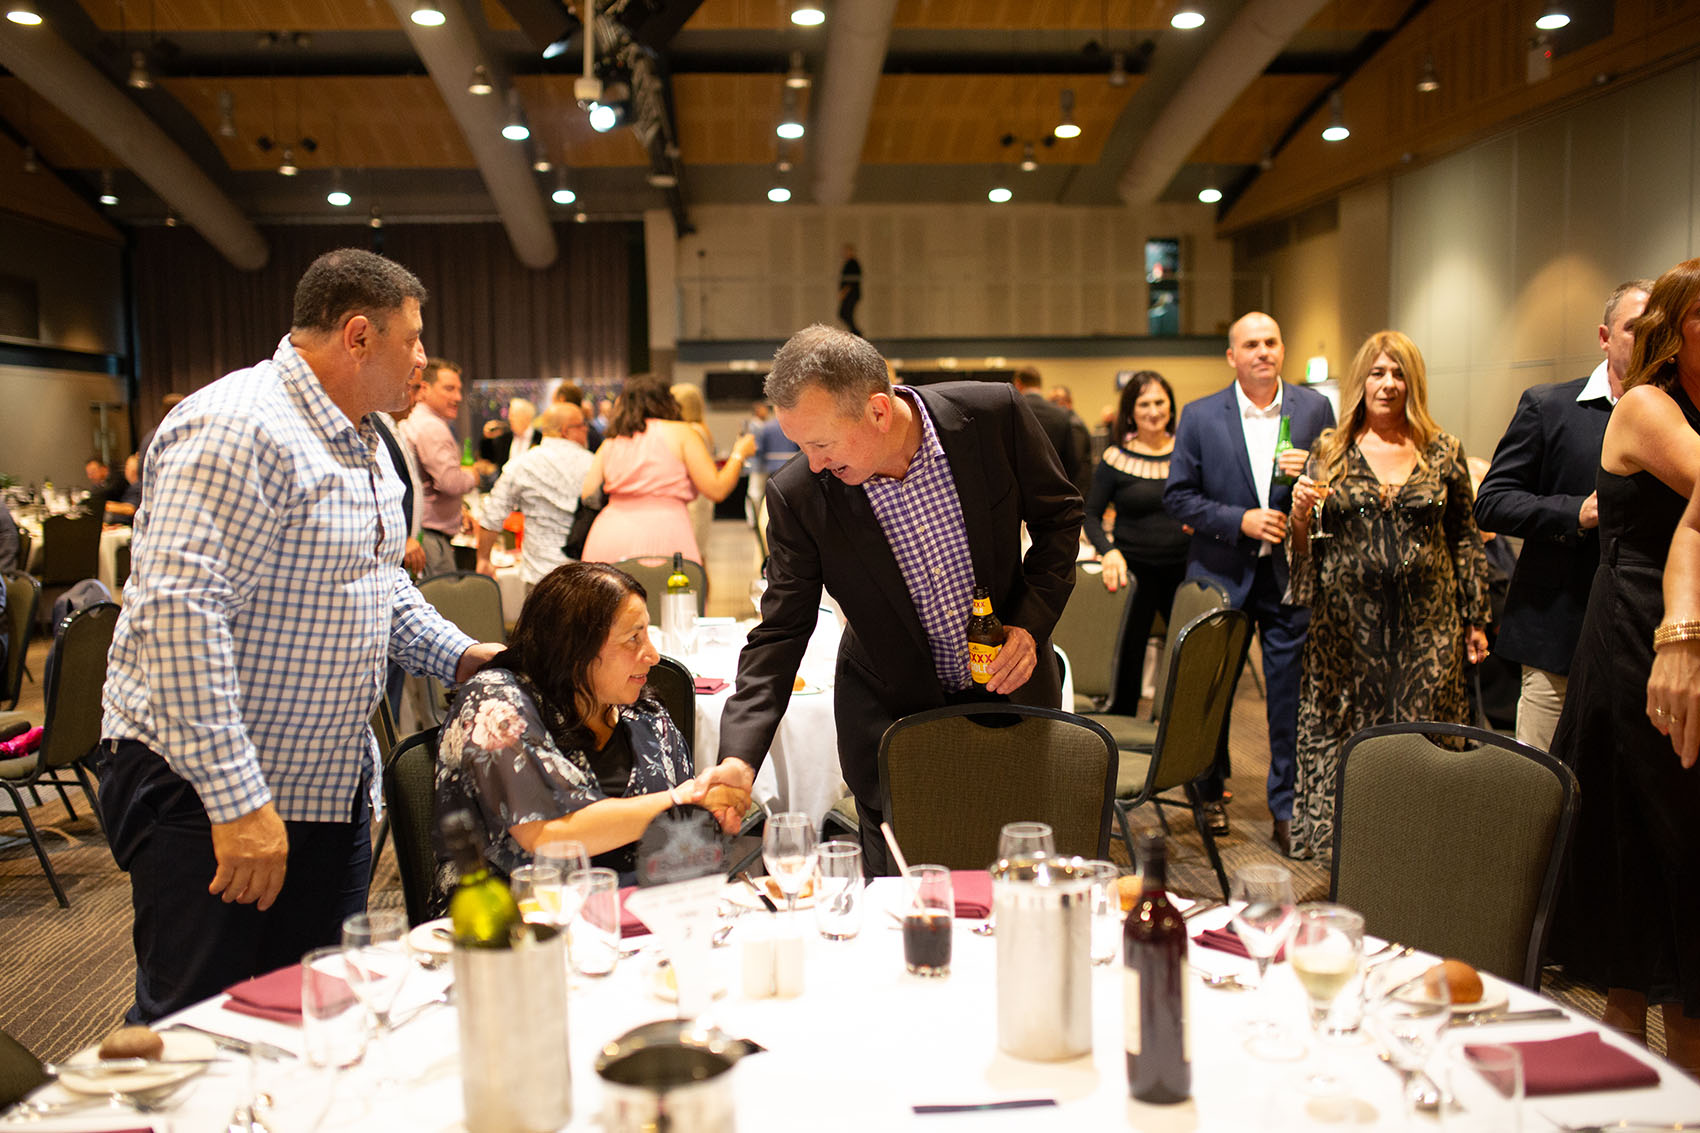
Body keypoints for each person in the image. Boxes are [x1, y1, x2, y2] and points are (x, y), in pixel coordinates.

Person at [97, 248, 501, 1022]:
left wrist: (462, 655)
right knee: (202, 1026)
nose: (423, 358)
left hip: (322, 786)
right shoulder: (237, 427)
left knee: (311, 1015)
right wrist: (236, 799)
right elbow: (180, 618)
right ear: (359, 336)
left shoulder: (367, 441)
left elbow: (377, 584)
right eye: (413, 339)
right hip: (209, 789)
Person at [713, 325, 1082, 874]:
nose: (812, 463)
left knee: (1016, 880)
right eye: (800, 446)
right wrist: (739, 758)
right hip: (892, 720)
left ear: (879, 412)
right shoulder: (799, 496)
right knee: (901, 900)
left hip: (1010, 700)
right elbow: (781, 632)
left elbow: (1060, 520)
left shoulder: (992, 416)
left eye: (821, 444)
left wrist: (1029, 624)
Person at [1551, 258, 1700, 1075]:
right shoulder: (1646, 405)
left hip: (1681, 630)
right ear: (1676, 332)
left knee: (1674, 875)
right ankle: (1621, 1085)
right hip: (1637, 638)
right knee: (1641, 862)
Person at [1286, 331, 1491, 860]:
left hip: (1429, 630)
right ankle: (1353, 855)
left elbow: (1464, 537)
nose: (1388, 384)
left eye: (1399, 373)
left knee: (1422, 739)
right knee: (1347, 737)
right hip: (1346, 632)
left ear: (1413, 383)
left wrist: (1476, 617)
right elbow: (1306, 549)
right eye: (1377, 373)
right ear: (1362, 381)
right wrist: (1299, 515)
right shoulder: (1330, 450)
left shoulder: (1443, 450)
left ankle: (1423, 853)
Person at [437, 562, 748, 894]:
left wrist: (714, 814)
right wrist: (681, 800)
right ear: (575, 649)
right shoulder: (496, 703)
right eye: (633, 638)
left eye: (647, 634)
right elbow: (546, 835)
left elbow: (687, 837)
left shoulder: (645, 715)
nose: (653, 656)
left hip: (644, 910)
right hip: (512, 914)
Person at [1164, 311, 1336, 857]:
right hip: (1221, 572)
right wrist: (1240, 520)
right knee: (1213, 691)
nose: (1263, 351)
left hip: (1289, 575)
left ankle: (1286, 805)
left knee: (1289, 697)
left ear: (1282, 349)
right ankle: (1208, 789)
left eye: (1271, 342)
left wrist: (1313, 476)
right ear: (1232, 356)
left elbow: (1335, 481)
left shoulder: (1315, 408)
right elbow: (1178, 496)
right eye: (1251, 344)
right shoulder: (1199, 415)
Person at [1475, 280, 1652, 751]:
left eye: (1657, 328)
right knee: (1545, 781)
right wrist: (1577, 511)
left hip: (1645, 642)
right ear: (1604, 337)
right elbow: (1492, 502)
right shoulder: (1549, 406)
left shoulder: (1678, 416)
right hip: (1557, 638)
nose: (1647, 339)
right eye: (1634, 328)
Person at [1085, 371, 1190, 716]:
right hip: (1133, 574)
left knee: (1188, 660)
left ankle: (1179, 736)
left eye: (1160, 402)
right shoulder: (1115, 458)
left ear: (1171, 407)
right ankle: (1122, 736)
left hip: (1185, 571)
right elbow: (1089, 515)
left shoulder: (1189, 454)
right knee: (1128, 661)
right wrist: (1108, 551)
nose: (1153, 411)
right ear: (1130, 411)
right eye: (1144, 404)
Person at [579, 376, 755, 566]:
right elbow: (717, 489)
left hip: (609, 536)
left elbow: (588, 493)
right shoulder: (681, 433)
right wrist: (739, 453)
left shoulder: (611, 442)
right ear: (667, 401)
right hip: (665, 535)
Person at [475, 404, 594, 591]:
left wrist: (483, 559)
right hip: (585, 575)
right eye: (582, 425)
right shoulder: (593, 465)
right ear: (565, 431)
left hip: (539, 577)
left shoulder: (523, 464)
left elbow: (492, 514)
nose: (587, 429)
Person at [401, 358, 492, 577]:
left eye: (458, 390)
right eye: (449, 389)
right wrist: (474, 476)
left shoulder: (418, 421)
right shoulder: (431, 426)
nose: (458, 397)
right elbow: (450, 482)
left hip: (425, 534)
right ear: (425, 389)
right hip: (430, 538)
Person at [1013, 367, 1091, 495]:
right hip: (1053, 491)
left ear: (1018, 384)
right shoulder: (1061, 415)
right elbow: (1072, 461)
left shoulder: (1012, 411)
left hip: (1020, 492)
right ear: (1039, 384)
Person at [670, 382, 718, 557]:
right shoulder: (699, 428)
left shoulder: (691, 431)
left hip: (694, 502)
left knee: (692, 556)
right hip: (699, 500)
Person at [479, 397, 537, 470]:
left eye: (513, 415)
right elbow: (489, 458)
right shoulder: (506, 438)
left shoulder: (539, 439)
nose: (510, 418)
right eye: (509, 415)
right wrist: (487, 438)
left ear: (526, 417)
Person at [838, 244, 862, 337]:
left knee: (845, 313)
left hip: (852, 294)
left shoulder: (853, 263)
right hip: (850, 293)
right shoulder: (848, 263)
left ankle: (856, 333)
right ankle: (855, 332)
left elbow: (851, 281)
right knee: (844, 313)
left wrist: (844, 292)